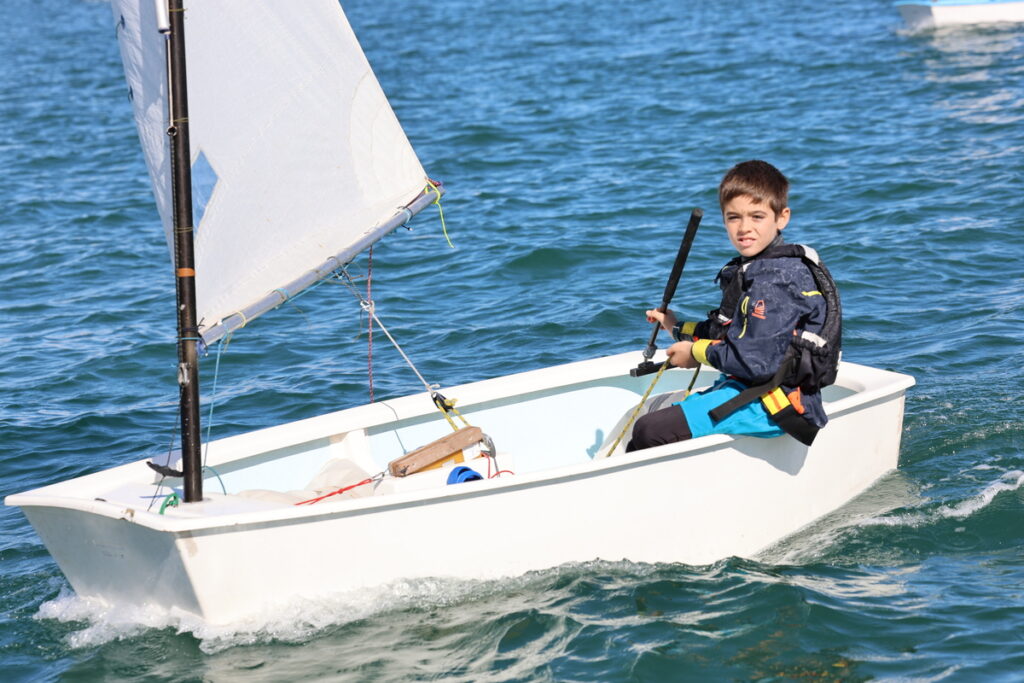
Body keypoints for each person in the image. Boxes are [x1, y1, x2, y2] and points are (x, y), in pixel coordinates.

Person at [626, 159, 833, 451]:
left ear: (782, 217)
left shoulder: (777, 280)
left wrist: (694, 353)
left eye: (757, 216)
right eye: (733, 217)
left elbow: (756, 361)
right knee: (651, 415)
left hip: (775, 405)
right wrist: (673, 325)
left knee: (649, 429)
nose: (744, 228)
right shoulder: (756, 268)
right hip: (752, 387)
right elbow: (726, 332)